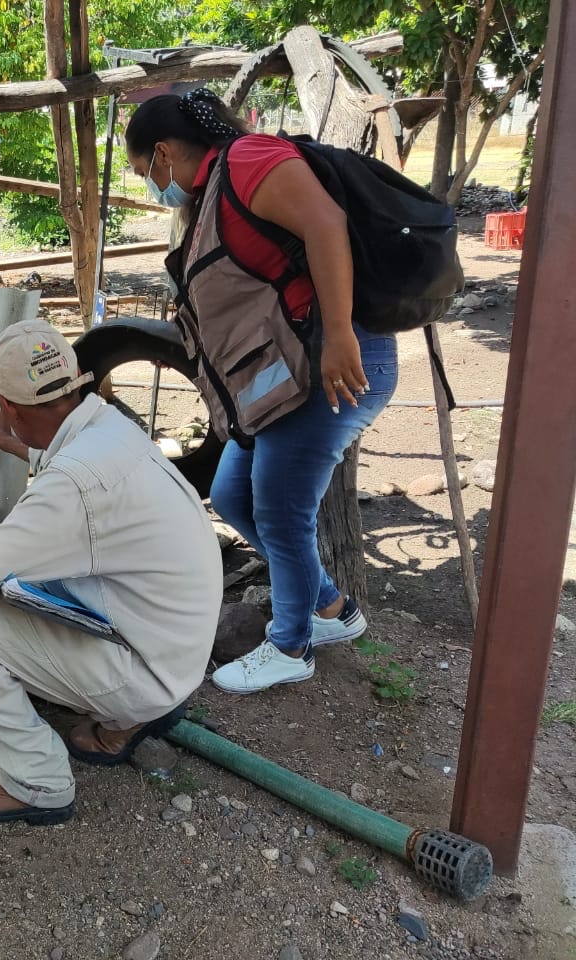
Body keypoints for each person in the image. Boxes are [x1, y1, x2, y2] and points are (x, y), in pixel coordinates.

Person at [123, 88, 399, 695]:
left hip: (332, 360)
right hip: (288, 376)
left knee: (280, 506)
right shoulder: (209, 196)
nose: (151, 185)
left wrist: (336, 335)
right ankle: (330, 610)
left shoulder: (249, 162)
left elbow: (327, 224)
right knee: (233, 493)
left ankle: (290, 644)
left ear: (165, 152)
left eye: (147, 171)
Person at [0, 319, 222, 825]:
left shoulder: (72, 486)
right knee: (29, 581)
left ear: (8, 404)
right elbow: (76, 481)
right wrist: (15, 445)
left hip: (147, 668)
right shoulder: (110, 427)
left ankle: (34, 780)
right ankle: (127, 719)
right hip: (176, 648)